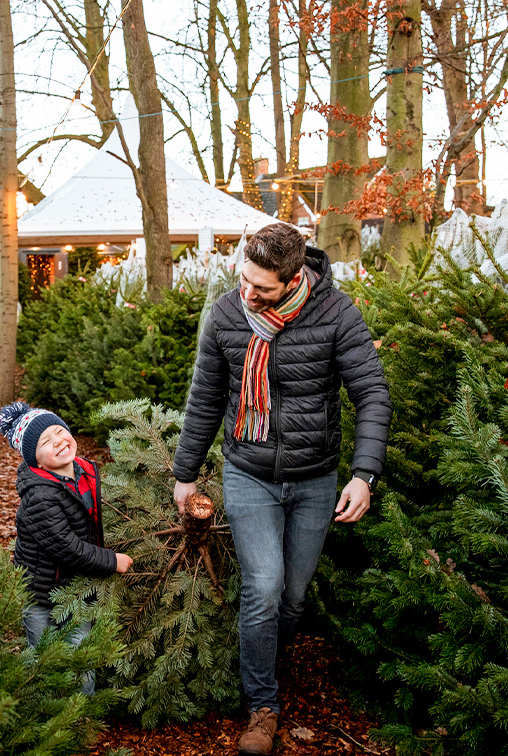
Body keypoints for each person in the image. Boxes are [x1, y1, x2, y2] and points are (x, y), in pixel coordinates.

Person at [171, 223, 391, 755]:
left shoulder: (337, 316)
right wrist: (185, 473)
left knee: (292, 596)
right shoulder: (226, 315)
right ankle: (261, 707)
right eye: (244, 280)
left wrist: (364, 475)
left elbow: (373, 396)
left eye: (262, 289)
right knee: (264, 587)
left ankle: (262, 657)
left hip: (316, 477)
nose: (248, 294)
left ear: (294, 279)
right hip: (248, 472)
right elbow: (204, 400)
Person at [0, 400, 133, 695]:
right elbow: (66, 546)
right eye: (46, 441)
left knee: (80, 649)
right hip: (39, 592)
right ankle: (44, 710)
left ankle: (80, 712)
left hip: (76, 587)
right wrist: (111, 561)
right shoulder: (39, 496)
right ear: (36, 461)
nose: (58, 441)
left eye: (60, 431)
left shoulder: (83, 472)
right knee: (43, 653)